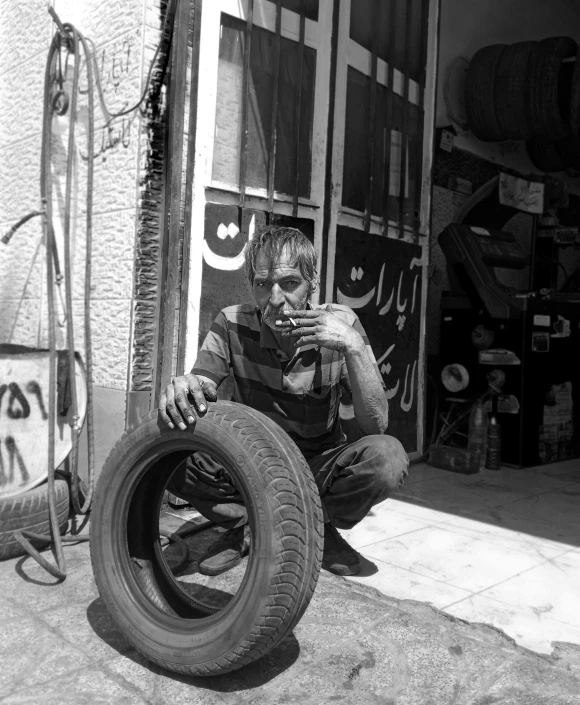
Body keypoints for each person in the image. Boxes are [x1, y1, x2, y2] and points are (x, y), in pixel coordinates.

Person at [160, 226, 408, 577]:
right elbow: (201, 385)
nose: (275, 299)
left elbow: (376, 424)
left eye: (290, 283)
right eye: (263, 285)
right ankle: (248, 525)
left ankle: (315, 526)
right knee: (165, 444)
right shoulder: (231, 323)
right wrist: (184, 387)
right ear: (252, 286)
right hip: (249, 461)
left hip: (317, 465)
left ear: (311, 285)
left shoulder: (342, 324)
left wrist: (352, 345)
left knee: (387, 458)